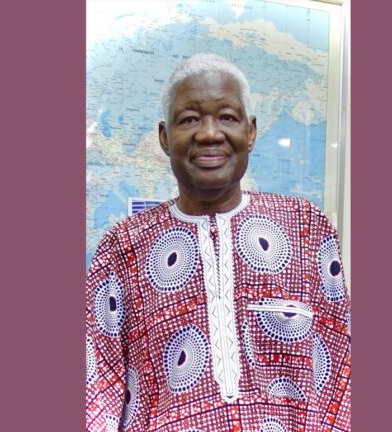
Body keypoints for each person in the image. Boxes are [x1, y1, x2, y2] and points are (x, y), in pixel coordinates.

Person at [86, 53, 351, 432]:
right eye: (189, 119)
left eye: (226, 117)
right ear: (164, 137)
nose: (209, 133)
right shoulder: (123, 247)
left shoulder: (306, 228)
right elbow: (98, 385)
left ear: (251, 131)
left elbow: (342, 370)